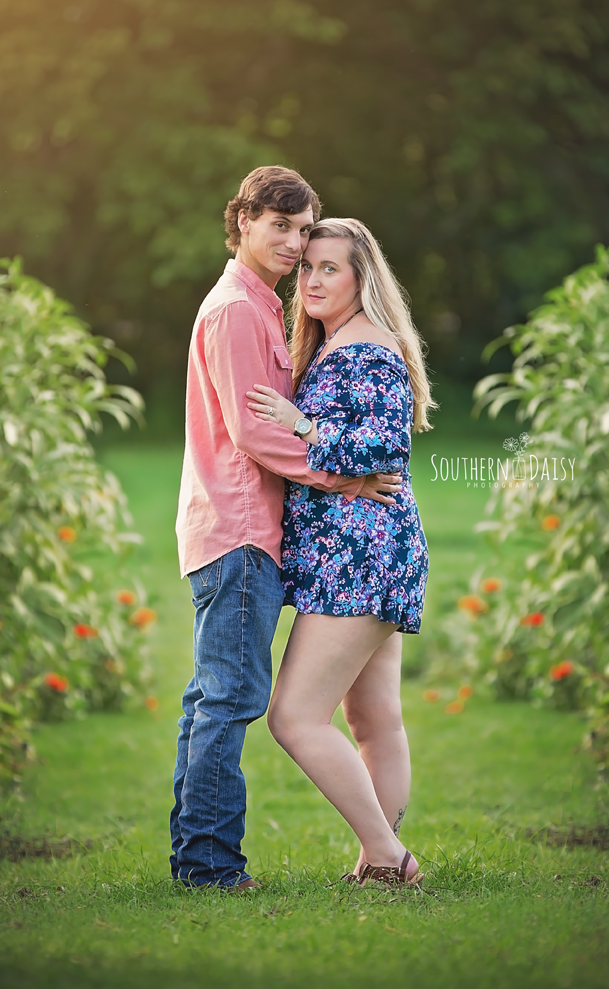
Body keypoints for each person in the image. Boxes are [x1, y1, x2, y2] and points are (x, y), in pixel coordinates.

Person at [171, 169, 401, 890]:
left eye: (304, 231)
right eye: (282, 226)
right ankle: (210, 867)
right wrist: (345, 478)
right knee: (231, 701)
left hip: (251, 534)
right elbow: (252, 434)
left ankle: (208, 861)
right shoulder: (238, 311)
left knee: (216, 699)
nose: (294, 244)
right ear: (242, 221)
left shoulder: (261, 306)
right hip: (240, 531)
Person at [247, 217, 434, 886]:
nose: (315, 280)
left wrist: (300, 422)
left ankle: (389, 856)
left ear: (362, 278)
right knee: (374, 719)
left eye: (332, 268)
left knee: (295, 716)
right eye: (309, 267)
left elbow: (387, 448)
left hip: (362, 554)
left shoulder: (367, 349)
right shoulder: (331, 347)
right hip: (357, 551)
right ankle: (378, 865)